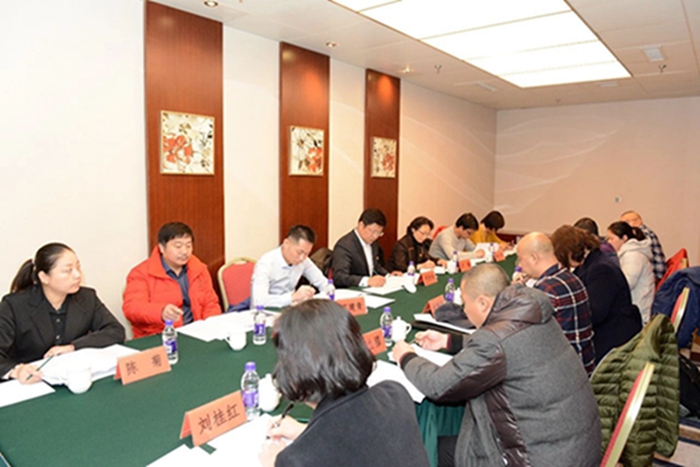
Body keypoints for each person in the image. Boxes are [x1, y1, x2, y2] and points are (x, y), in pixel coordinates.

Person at [392, 264, 601, 466]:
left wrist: (406, 357)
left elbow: (438, 385)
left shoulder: (495, 340)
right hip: (575, 448)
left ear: (483, 303)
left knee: (429, 449)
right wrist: (449, 341)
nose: (464, 310)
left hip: (539, 458)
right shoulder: (530, 314)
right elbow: (507, 346)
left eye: (465, 303)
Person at [259, 299, 429, 467]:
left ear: (294, 373)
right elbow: (360, 439)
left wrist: (274, 463)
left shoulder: (296, 460)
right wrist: (305, 432)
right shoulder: (396, 394)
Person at [1, 243, 125, 384]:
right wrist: (16, 371)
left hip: (72, 379)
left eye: (78, 267)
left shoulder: (87, 298)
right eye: (68, 270)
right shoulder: (14, 305)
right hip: (30, 384)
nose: (77, 275)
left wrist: (73, 347)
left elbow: (115, 331)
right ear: (44, 277)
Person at [550, 225, 642, 363]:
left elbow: (595, 313)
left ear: (570, 251)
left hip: (613, 336)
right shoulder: (592, 263)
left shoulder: (601, 269)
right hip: (609, 329)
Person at [123, 222, 220, 338]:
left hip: (197, 333)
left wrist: (209, 326)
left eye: (188, 246)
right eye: (178, 246)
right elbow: (132, 308)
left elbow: (210, 303)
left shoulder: (199, 269)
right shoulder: (140, 273)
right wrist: (161, 312)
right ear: (161, 248)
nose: (184, 252)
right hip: (159, 335)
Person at [516, 232, 595, 375]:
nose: (520, 265)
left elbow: (528, 337)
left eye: (521, 259)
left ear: (534, 258)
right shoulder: (573, 278)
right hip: (584, 364)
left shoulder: (546, 290)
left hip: (564, 373)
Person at [251, 225, 329, 308]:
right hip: (265, 311)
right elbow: (259, 301)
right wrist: (292, 297)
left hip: (291, 309)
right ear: (286, 243)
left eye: (307, 254)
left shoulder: (304, 260)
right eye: (299, 252)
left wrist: (326, 292)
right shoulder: (266, 263)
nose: (302, 258)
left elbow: (323, 283)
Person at [331, 208, 399, 288]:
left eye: (379, 233)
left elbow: (374, 265)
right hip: (351, 290)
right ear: (361, 225)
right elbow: (339, 277)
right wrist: (367, 281)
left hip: (370, 289)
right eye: (373, 231)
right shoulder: (344, 246)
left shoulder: (373, 243)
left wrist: (388, 276)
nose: (375, 236)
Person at [607, 221, 655, 324]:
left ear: (624, 238)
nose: (609, 242)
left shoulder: (633, 256)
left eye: (612, 238)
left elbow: (627, 284)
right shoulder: (629, 254)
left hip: (638, 314)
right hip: (634, 308)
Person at [620, 210, 667, 282]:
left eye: (625, 223)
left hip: (654, 276)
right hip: (655, 273)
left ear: (639, 221)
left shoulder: (642, 235)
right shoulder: (648, 232)